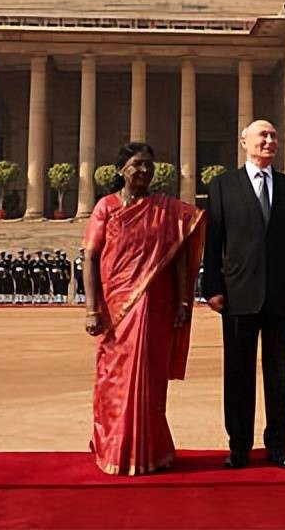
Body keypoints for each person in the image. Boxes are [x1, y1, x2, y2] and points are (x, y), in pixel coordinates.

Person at [83, 141, 205, 475]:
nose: (144, 170)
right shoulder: (105, 208)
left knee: (150, 381)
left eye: (149, 164)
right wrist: (92, 308)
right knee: (113, 379)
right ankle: (113, 446)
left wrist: (183, 301)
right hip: (116, 309)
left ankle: (150, 450)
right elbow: (91, 256)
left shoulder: (167, 212)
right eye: (137, 164)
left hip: (157, 309)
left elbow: (179, 256)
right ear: (121, 170)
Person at [202, 119, 285, 470]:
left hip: (282, 294)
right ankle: (239, 447)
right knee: (237, 373)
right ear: (244, 142)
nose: (269, 141)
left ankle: (278, 445)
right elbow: (213, 242)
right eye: (262, 136)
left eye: (273, 136)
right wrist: (212, 287)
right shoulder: (222, 186)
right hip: (237, 294)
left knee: (279, 372)